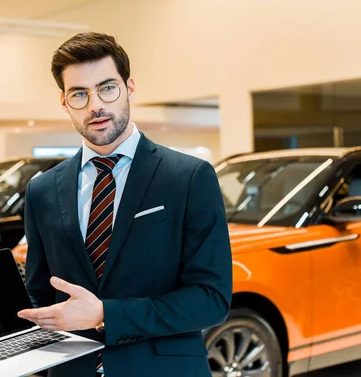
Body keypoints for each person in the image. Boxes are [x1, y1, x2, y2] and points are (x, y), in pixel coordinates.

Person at [18, 32, 232, 377]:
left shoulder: (188, 177)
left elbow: (211, 299)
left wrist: (105, 314)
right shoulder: (43, 189)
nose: (95, 105)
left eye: (107, 88)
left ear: (129, 88)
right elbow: (41, 294)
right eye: (79, 94)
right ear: (64, 101)